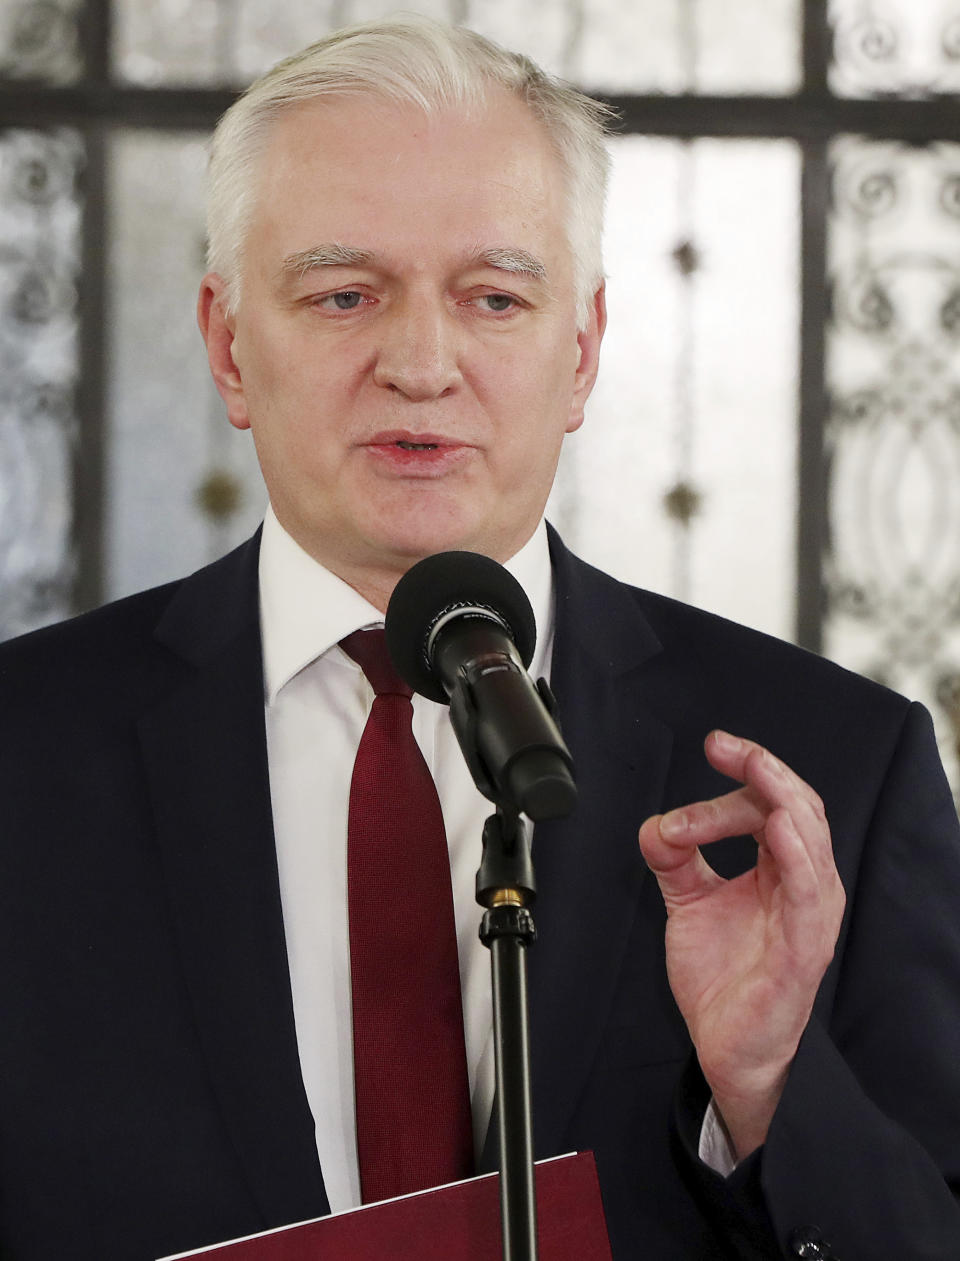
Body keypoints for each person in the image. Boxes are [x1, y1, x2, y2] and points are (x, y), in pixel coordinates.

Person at [0, 15, 958, 1260]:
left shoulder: (830, 765)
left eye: (493, 298)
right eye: (345, 295)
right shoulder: (23, 756)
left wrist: (771, 1086)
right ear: (231, 348)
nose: (421, 361)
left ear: (582, 352)